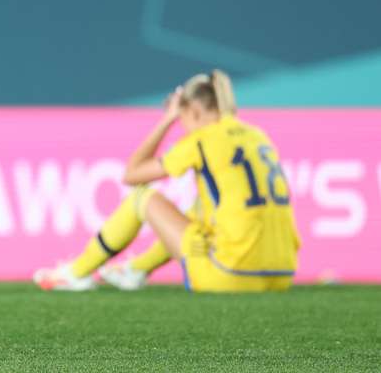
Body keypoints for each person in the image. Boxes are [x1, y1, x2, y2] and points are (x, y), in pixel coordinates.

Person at [34, 70, 300, 293]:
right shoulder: (257, 136)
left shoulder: (202, 139)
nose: (183, 125)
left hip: (230, 275)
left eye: (183, 118)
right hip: (280, 275)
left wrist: (167, 119)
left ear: (193, 111)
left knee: (142, 198)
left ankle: (75, 273)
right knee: (201, 210)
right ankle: (136, 270)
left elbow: (132, 174)